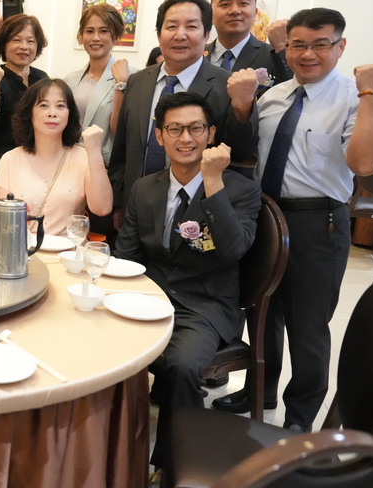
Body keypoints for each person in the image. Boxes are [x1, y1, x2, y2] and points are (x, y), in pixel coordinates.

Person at [211, 8, 373, 433]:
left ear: (341, 46)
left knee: (307, 325)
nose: (308, 54)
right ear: (285, 47)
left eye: (321, 44)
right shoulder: (273, 96)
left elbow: (365, 164)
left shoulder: (356, 97)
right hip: (265, 216)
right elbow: (248, 155)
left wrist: (371, 93)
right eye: (298, 45)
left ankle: (300, 417)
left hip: (317, 222)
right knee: (262, 314)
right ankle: (261, 390)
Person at [114, 91, 261, 471]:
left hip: (205, 306)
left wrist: (212, 181)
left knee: (180, 365)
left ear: (210, 133)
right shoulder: (144, 188)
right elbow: (127, 256)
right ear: (159, 136)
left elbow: (233, 249)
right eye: (174, 129)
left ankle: (178, 465)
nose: (186, 138)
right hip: (150, 296)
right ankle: (110, 451)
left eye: (196, 128)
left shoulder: (241, 190)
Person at [108, 0, 255, 212]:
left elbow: (241, 153)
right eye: (171, 26)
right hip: (136, 206)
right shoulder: (138, 81)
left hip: (196, 210)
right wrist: (119, 202)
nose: (180, 35)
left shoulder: (226, 86)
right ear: (159, 35)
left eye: (191, 26)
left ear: (206, 34)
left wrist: (243, 106)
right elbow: (122, 148)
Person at [0, 78, 111, 236]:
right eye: (43, 105)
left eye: (60, 106)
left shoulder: (84, 156)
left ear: (69, 113)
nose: (52, 113)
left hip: (69, 248)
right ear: (29, 112)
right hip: (24, 248)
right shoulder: (10, 159)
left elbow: (102, 208)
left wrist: (95, 151)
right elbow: (3, 222)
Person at [62, 4, 134, 164]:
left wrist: (121, 85)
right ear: (81, 36)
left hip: (110, 165)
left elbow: (123, 132)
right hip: (71, 163)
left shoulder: (133, 76)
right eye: (89, 31)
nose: (95, 38)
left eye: (103, 31)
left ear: (116, 35)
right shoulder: (70, 80)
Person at [0, 14, 49, 164]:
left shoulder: (42, 78)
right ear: (4, 44)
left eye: (30, 41)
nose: (24, 46)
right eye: (16, 40)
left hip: (40, 154)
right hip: (4, 157)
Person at [206, 0, 292, 86]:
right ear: (211, 15)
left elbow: (293, 88)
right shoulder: (195, 55)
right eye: (225, 4)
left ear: (255, 13)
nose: (234, 11)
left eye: (243, 3)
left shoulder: (273, 56)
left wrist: (281, 48)